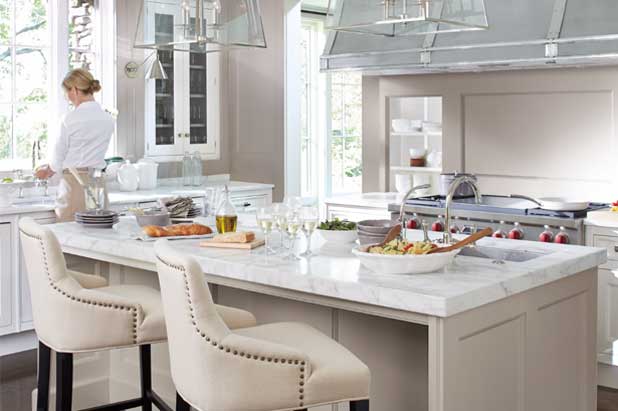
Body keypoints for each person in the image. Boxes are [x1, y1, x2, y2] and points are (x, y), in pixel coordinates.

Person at [35, 68, 115, 222]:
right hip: (97, 183)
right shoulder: (108, 119)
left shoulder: (69, 119)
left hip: (75, 183)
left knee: (68, 237)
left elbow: (59, 156)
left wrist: (46, 171)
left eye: (67, 92)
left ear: (75, 90)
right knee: (96, 235)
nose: (67, 97)